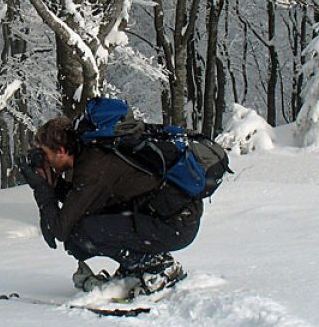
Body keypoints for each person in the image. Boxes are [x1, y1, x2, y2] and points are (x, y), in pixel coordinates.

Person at [18, 116, 203, 297]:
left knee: (81, 233)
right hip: (172, 217)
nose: (46, 160)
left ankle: (157, 265)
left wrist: (42, 189)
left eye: (46, 154)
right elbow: (80, 203)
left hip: (176, 224)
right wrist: (52, 184)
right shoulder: (93, 155)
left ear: (61, 150)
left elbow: (61, 228)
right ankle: (136, 265)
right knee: (81, 234)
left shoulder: (93, 168)